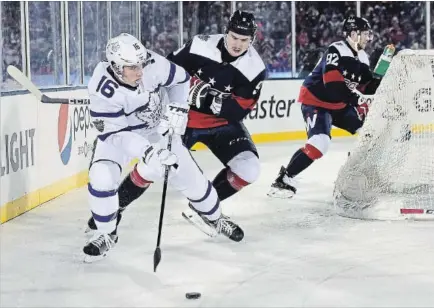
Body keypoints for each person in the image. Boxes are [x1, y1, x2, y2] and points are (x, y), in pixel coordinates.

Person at [84, 33, 243, 262]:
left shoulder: (152, 64)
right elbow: (117, 136)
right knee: (100, 176)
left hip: (156, 131)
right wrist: (147, 151)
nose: (140, 71)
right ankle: (106, 234)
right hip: (120, 136)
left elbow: (182, 79)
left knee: (193, 181)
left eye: (141, 64)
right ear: (117, 67)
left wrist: (178, 107)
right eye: (132, 67)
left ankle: (215, 217)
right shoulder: (101, 90)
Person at [268, 16, 382, 198]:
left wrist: (381, 78)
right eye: (365, 34)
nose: (369, 38)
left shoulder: (362, 57)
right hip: (316, 101)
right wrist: (357, 100)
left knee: (368, 131)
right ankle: (284, 179)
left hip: (339, 104)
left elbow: (367, 86)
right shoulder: (336, 50)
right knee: (319, 143)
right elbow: (333, 86)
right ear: (353, 34)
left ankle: (357, 172)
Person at [167, 10, 266, 209]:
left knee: (249, 169)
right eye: (234, 37)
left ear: (252, 40)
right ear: (225, 32)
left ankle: (204, 207)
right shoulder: (200, 44)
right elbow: (168, 69)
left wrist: (202, 96)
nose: (237, 44)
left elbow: (238, 112)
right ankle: (113, 210)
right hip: (185, 120)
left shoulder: (255, 68)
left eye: (244, 40)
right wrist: (183, 90)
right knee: (156, 165)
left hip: (223, 126)